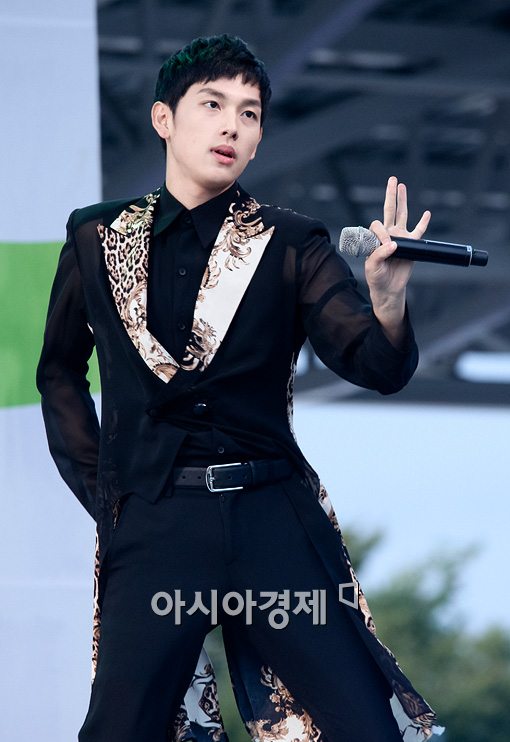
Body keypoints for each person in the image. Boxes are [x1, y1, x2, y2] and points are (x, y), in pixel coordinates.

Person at [36, 33, 444, 742]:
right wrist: (109, 496)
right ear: (164, 119)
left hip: (271, 522)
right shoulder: (97, 238)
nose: (231, 126)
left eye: (249, 114)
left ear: (257, 141)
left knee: (363, 724)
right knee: (120, 729)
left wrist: (387, 299)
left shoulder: (291, 244)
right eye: (213, 104)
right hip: (157, 526)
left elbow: (376, 364)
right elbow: (59, 371)